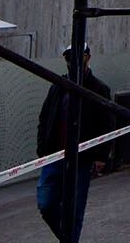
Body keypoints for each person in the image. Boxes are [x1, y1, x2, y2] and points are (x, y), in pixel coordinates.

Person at [35, 43, 113, 243]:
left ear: (88, 57)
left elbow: (106, 123)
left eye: (79, 56)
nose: (74, 61)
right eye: (69, 57)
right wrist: (43, 149)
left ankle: (69, 239)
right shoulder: (58, 87)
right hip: (55, 155)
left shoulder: (98, 89)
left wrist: (100, 156)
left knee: (75, 208)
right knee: (46, 202)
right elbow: (45, 118)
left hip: (81, 158)